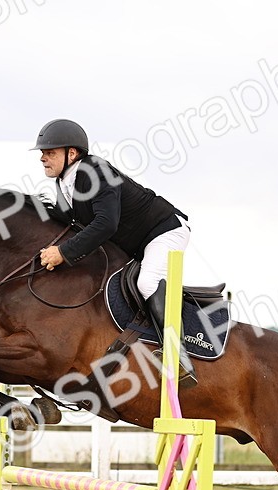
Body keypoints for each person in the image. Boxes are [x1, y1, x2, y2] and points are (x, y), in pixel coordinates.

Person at [32, 119, 197, 387]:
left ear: (71, 153)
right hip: (136, 243)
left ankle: (179, 358)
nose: (42, 158)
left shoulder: (94, 170)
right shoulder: (65, 181)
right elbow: (71, 222)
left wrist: (63, 252)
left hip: (164, 231)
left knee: (147, 282)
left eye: (49, 152)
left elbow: (105, 223)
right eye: (42, 153)